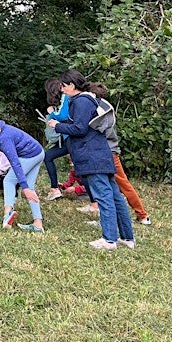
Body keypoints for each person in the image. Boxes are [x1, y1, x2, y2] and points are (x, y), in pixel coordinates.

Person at [48, 69, 136, 250]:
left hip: (91, 156)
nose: (62, 90)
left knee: (104, 197)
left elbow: (79, 129)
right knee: (115, 196)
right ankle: (127, 238)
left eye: (64, 87)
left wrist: (57, 126)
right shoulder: (89, 99)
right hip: (101, 153)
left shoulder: (80, 101)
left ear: (71, 86)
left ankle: (109, 239)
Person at [83, 82, 151, 226]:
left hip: (108, 152)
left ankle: (142, 215)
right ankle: (111, 217)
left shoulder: (100, 110)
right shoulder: (105, 107)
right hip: (109, 151)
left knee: (121, 185)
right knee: (111, 187)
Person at [0, 120, 45, 232]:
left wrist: (24, 187)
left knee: (9, 181)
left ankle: (7, 214)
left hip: (30, 155)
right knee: (30, 188)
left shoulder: (3, 140)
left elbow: (15, 162)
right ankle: (38, 224)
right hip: (38, 151)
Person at [43, 78, 71, 201]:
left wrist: (52, 114)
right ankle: (54, 189)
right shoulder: (67, 96)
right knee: (48, 156)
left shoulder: (66, 95)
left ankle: (94, 202)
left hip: (71, 137)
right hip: (67, 137)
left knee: (81, 168)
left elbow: (63, 115)